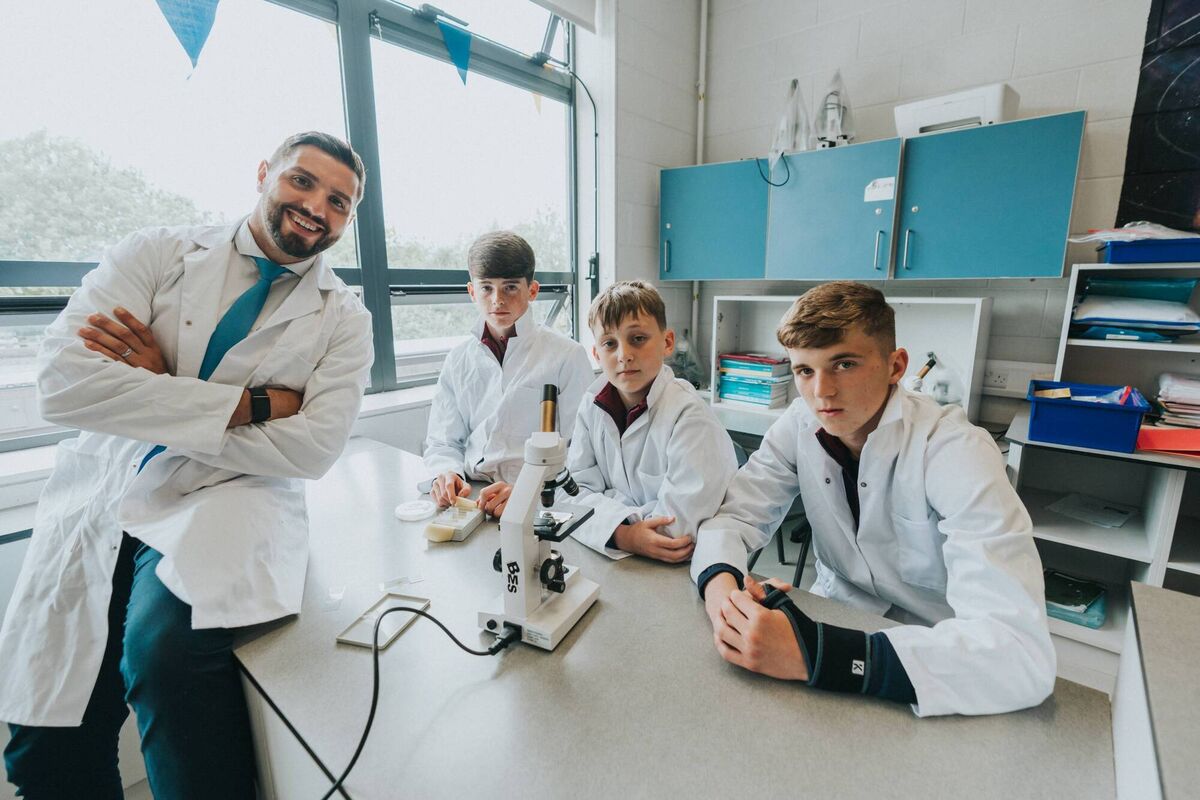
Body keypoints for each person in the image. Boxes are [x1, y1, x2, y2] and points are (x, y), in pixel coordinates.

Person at [0, 131, 374, 797]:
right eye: (302, 180)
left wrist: (152, 391)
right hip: (109, 480)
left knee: (164, 657)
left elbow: (314, 447)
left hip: (227, 494)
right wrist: (254, 404)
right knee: (44, 745)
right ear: (263, 173)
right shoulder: (156, 254)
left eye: (339, 201)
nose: (317, 206)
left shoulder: (343, 317)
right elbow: (61, 384)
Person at [693, 281, 1055, 717]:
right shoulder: (799, 423)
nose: (822, 392)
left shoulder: (955, 449)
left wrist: (816, 654)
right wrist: (725, 601)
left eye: (844, 364)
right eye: (805, 370)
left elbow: (1019, 655)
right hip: (836, 615)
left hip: (935, 663)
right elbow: (733, 519)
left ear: (895, 366)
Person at [422, 231, 594, 518]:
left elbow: (581, 452)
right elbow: (443, 441)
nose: (497, 300)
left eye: (510, 287)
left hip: (539, 500)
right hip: (471, 497)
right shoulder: (458, 360)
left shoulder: (568, 356)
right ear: (472, 291)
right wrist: (448, 473)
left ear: (532, 290)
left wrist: (528, 491)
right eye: (486, 288)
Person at [568, 280, 737, 562]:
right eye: (609, 344)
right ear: (596, 353)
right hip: (611, 559)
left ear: (667, 342)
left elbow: (674, 534)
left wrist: (605, 512)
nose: (624, 355)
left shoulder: (689, 416)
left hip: (678, 571)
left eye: (638, 339)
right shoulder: (591, 405)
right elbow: (571, 497)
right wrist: (626, 535)